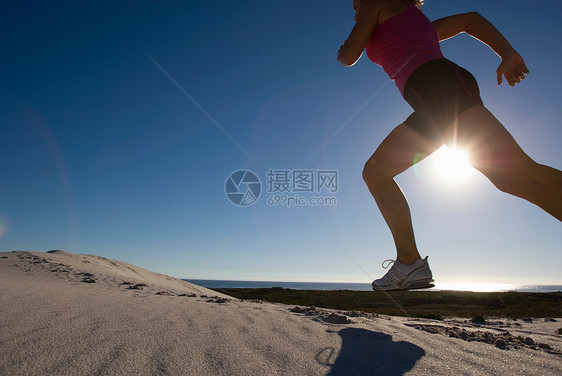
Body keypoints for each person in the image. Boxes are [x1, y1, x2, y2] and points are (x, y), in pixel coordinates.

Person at [337, 0, 562, 291]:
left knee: (515, 173)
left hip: (437, 87)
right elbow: (470, 20)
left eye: (356, 1)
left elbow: (348, 55)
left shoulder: (377, 4)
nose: (355, 6)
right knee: (376, 171)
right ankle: (409, 262)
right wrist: (508, 53)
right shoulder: (415, 21)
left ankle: (409, 262)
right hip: (431, 96)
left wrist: (350, 39)